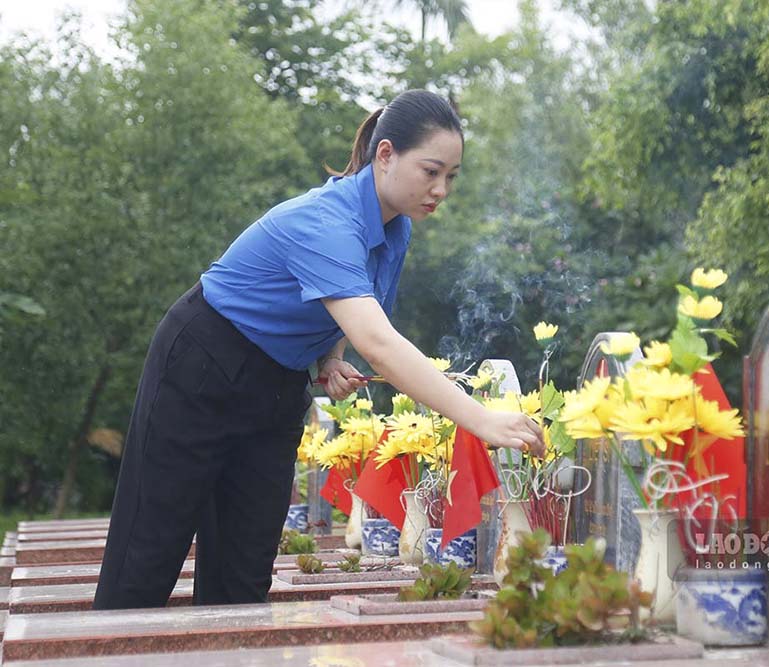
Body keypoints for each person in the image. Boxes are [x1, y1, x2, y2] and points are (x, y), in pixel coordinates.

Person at [93, 89, 545, 610]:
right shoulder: (325, 222)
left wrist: (330, 359)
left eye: (451, 177)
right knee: (145, 561)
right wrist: (481, 420)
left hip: (276, 387)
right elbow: (378, 344)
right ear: (385, 154)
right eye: (431, 171)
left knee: (242, 579)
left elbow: (350, 310)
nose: (440, 189)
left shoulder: (394, 228)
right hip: (201, 365)